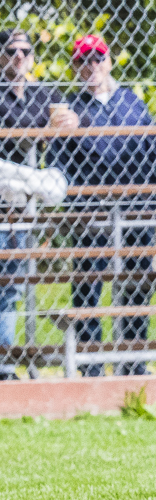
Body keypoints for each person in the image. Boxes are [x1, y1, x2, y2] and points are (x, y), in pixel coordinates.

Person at [46, 34, 156, 376]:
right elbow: (62, 162)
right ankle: (90, 364)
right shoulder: (70, 109)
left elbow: (147, 153)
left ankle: (133, 360)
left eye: (98, 57)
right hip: (91, 208)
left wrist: (87, 132)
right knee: (87, 285)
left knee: (136, 283)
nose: (92, 65)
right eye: (83, 60)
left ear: (109, 60)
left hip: (134, 207)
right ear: (75, 66)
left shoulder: (131, 102)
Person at [0, 28, 66, 380]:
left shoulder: (42, 94)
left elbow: (61, 123)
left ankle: (8, 363)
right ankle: (6, 363)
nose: (19, 57)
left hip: (22, 206)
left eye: (25, 51)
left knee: (13, 286)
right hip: (6, 194)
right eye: (12, 51)